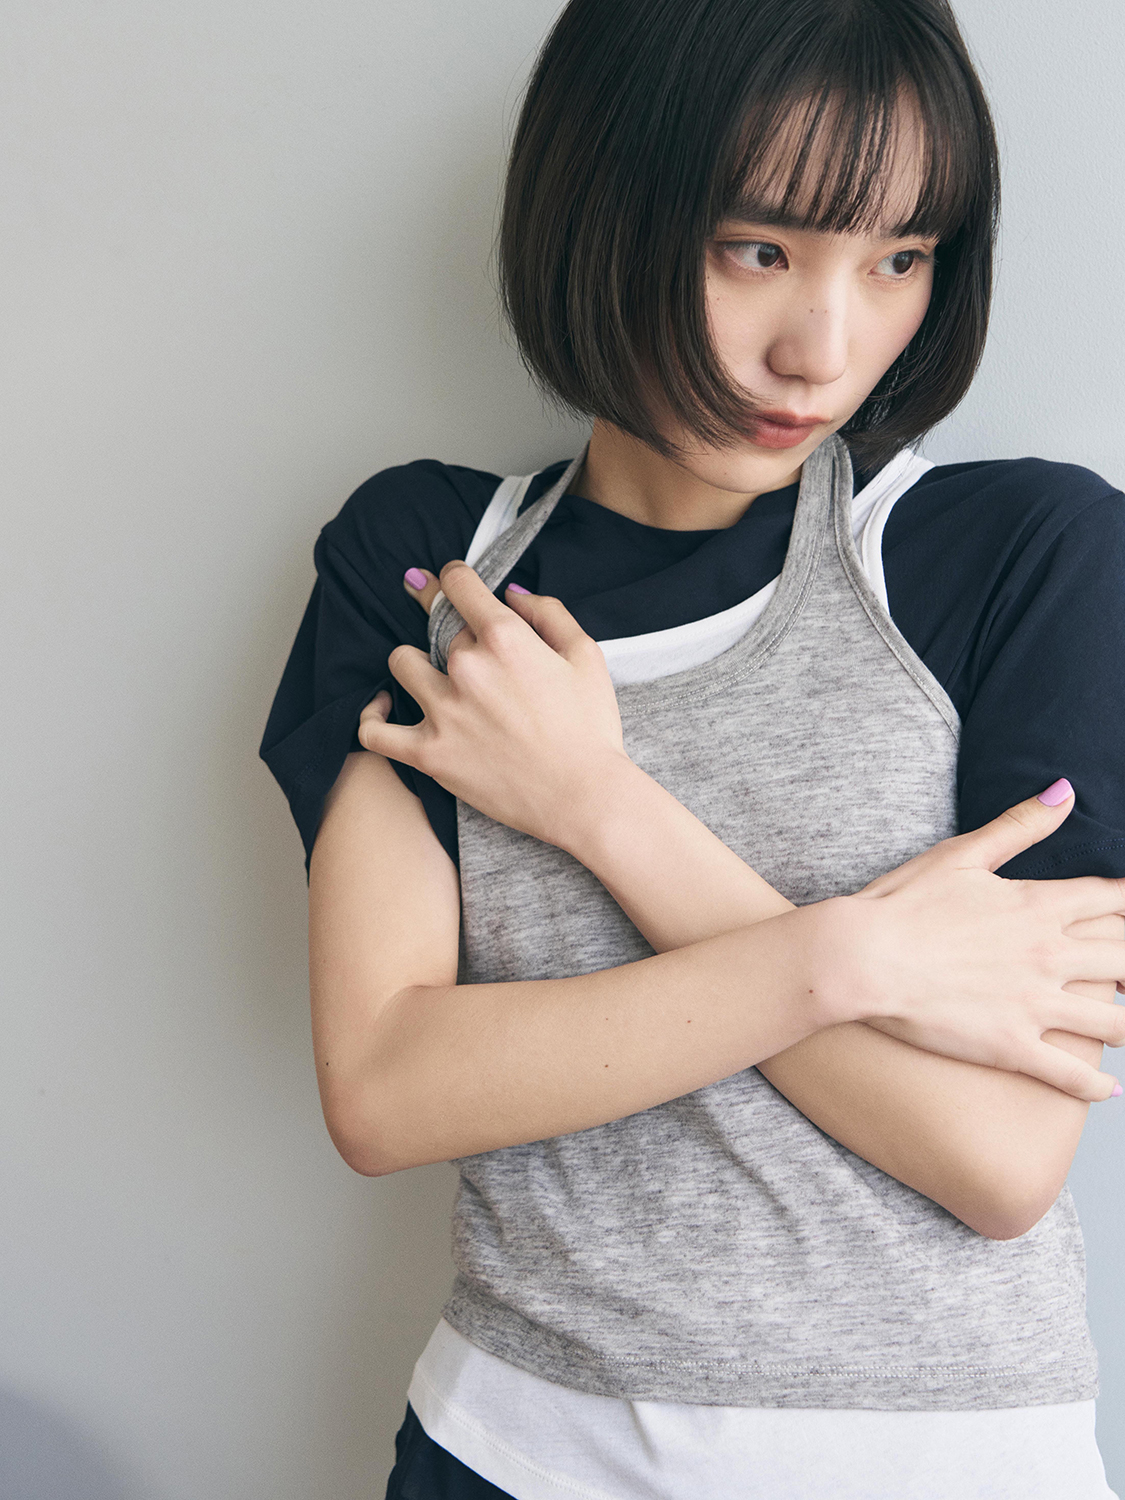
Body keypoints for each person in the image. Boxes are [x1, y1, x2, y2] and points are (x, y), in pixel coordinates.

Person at [260, 0, 1125, 1494]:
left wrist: (597, 805)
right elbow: (388, 1087)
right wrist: (856, 957)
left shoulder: (1025, 556)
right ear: (603, 206)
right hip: (515, 1449)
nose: (821, 351)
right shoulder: (433, 563)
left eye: (898, 259)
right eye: (755, 248)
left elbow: (995, 1161)